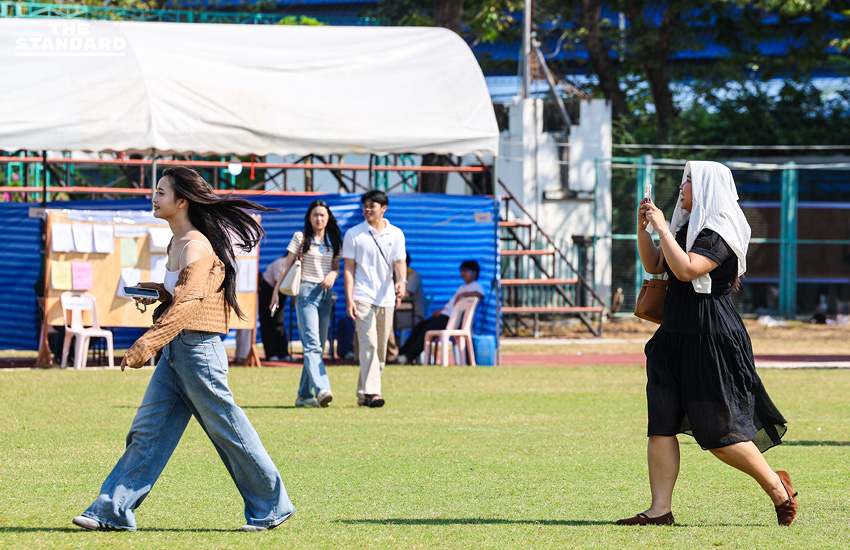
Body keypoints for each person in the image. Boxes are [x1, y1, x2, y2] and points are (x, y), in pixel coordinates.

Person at [72, 166, 294, 532]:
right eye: (155, 191)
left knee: (229, 430)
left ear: (181, 201)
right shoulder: (177, 242)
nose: (153, 197)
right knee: (147, 432)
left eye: (161, 192)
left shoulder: (196, 246)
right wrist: (158, 292)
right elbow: (181, 297)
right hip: (177, 353)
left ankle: (272, 506)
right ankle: (111, 511)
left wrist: (146, 343)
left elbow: (189, 304)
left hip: (198, 352)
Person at [621, 160, 796, 527]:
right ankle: (659, 510)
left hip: (711, 338)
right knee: (661, 425)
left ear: (706, 188)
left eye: (688, 182)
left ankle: (777, 488)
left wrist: (664, 228)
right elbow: (656, 264)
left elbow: (686, 269)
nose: (682, 189)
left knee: (718, 433)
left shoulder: (719, 231)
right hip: (672, 336)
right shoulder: (687, 227)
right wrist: (646, 230)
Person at [271, 200, 342, 408]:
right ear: (309, 218)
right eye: (315, 215)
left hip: (326, 295)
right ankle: (322, 389)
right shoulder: (300, 237)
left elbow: (337, 267)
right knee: (313, 345)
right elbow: (286, 266)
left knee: (317, 347)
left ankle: (303, 395)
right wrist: (276, 292)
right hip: (305, 293)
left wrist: (332, 274)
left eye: (322, 214)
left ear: (328, 217)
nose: (319, 219)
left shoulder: (335, 239)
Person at [343, 190, 406, 408]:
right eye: (365, 206)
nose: (368, 210)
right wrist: (350, 298)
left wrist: (402, 281)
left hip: (386, 297)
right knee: (367, 343)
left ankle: (363, 394)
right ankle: (374, 392)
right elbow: (349, 269)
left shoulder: (396, 233)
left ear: (384, 208)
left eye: (372, 206)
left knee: (380, 349)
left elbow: (399, 262)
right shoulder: (353, 233)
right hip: (363, 296)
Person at [395, 260, 483, 365]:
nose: (463, 273)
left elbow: (480, 295)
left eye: (466, 270)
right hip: (444, 315)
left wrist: (463, 295)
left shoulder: (476, 286)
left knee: (426, 330)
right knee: (419, 327)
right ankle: (401, 354)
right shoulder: (462, 287)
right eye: (462, 270)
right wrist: (441, 310)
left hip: (451, 320)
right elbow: (452, 305)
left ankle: (407, 357)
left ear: (475, 272)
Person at [387, 253, 424, 362]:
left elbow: (405, 295)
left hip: (413, 316)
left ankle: (393, 356)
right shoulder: (393, 276)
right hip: (400, 314)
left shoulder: (413, 276)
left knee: (386, 323)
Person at [258, 254, 290, 362]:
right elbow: (278, 283)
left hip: (282, 293)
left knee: (279, 322)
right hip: (269, 291)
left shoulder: (297, 264)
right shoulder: (282, 263)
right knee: (268, 323)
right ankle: (271, 353)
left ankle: (283, 353)